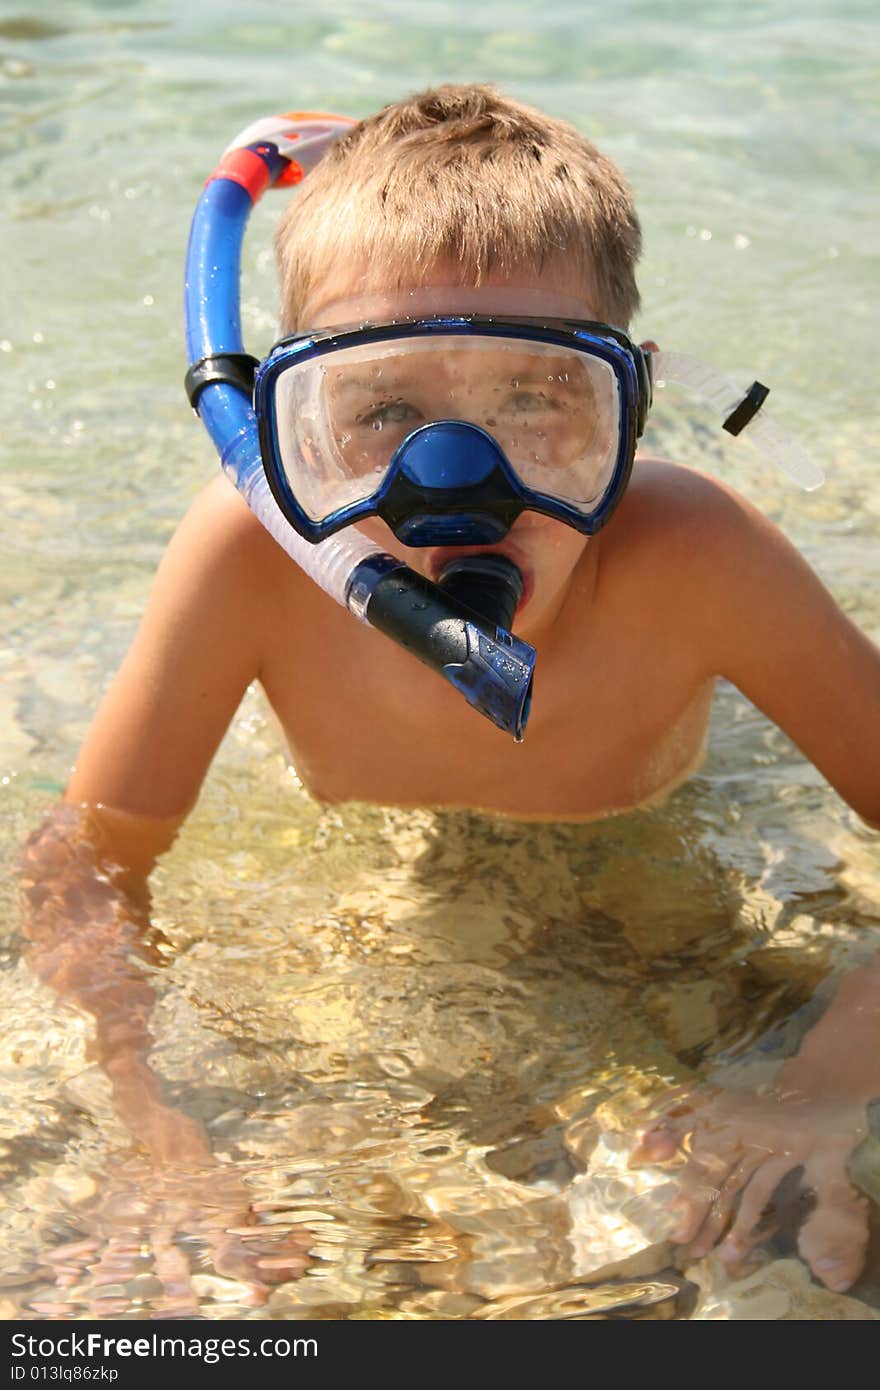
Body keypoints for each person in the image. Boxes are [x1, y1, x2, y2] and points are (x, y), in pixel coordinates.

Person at [19, 83, 880, 1301]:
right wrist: (143, 1119)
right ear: (287, 433)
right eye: (380, 411)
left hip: (650, 853)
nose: (457, 483)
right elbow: (85, 863)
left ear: (626, 411)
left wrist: (823, 1084)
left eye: (536, 400)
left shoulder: (693, 557)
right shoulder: (250, 556)